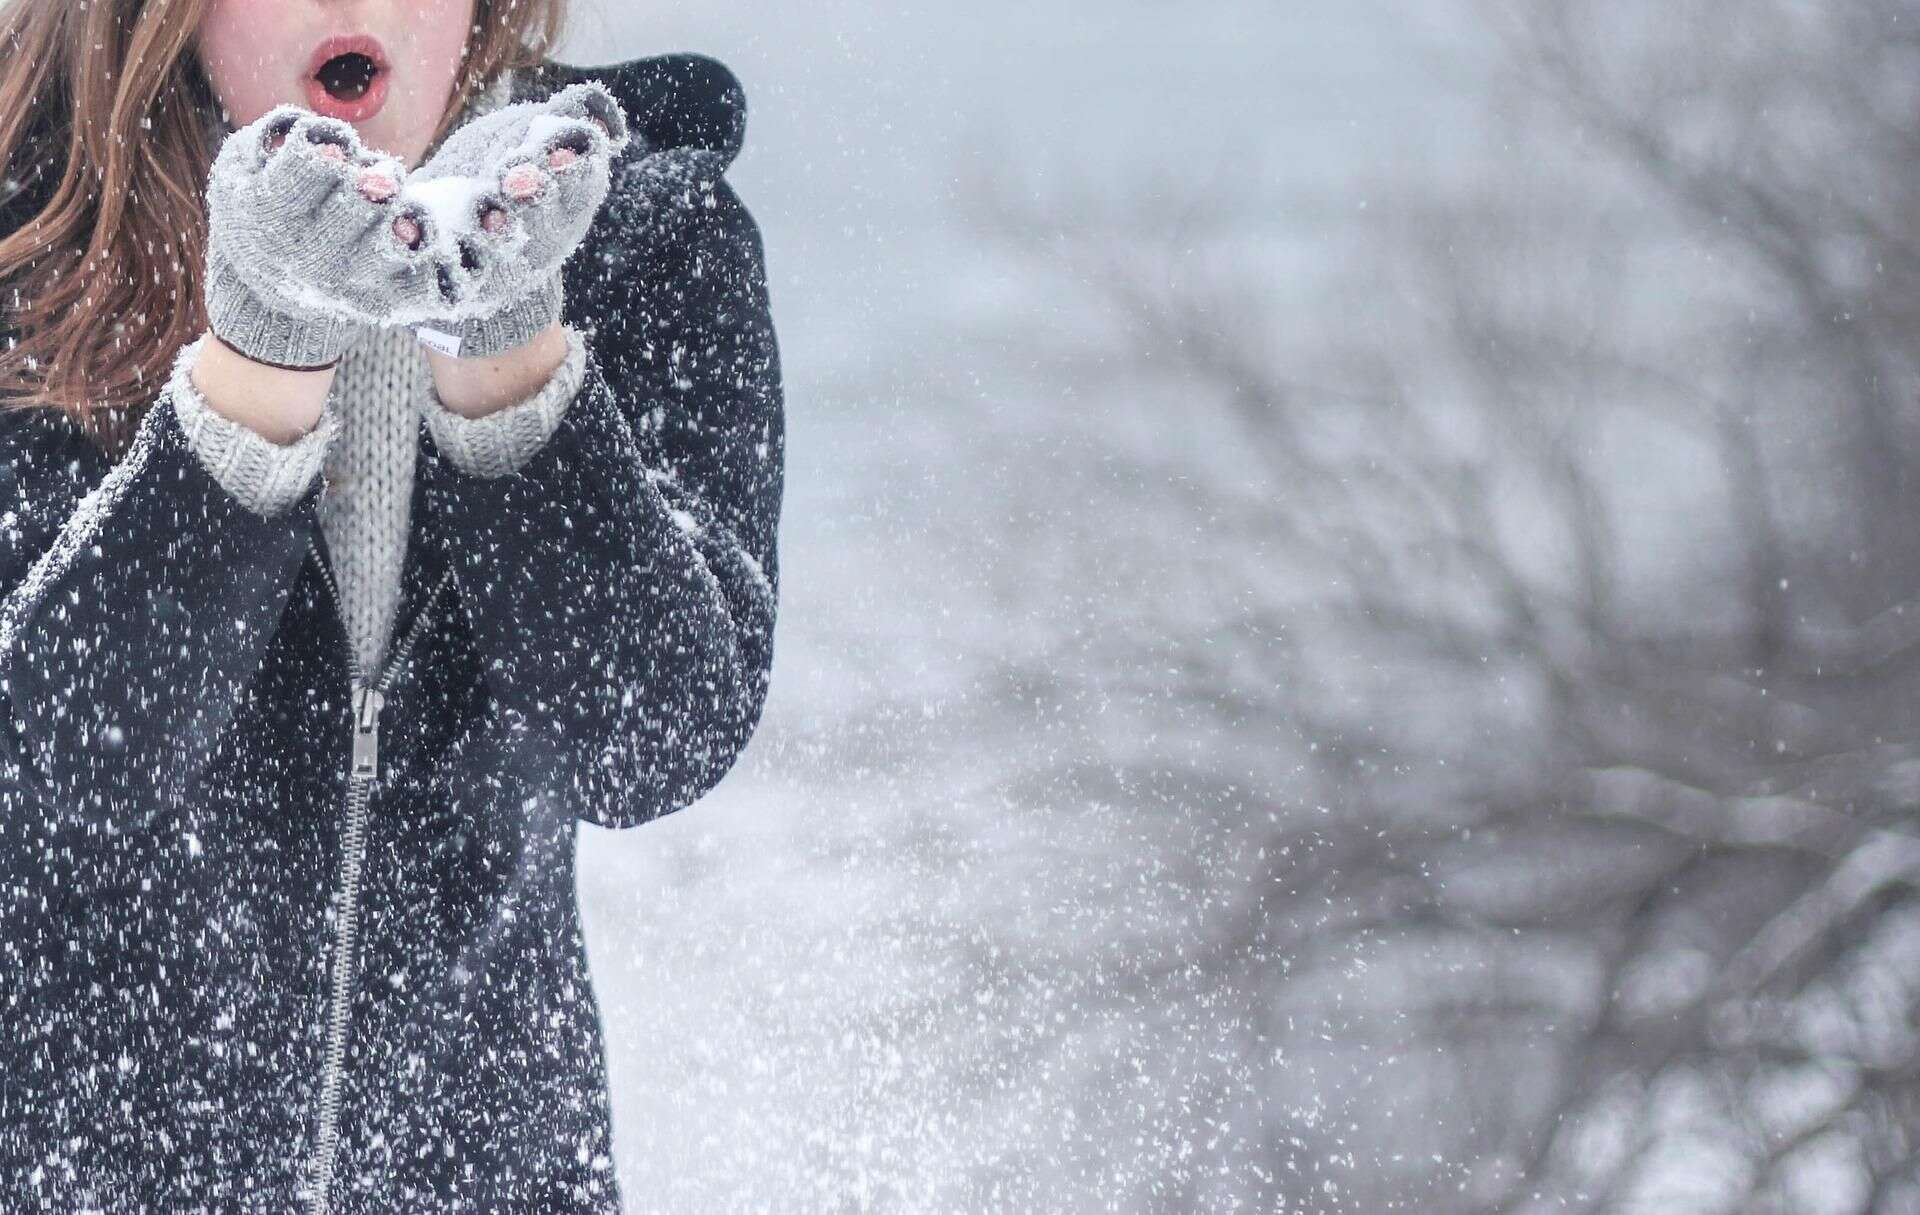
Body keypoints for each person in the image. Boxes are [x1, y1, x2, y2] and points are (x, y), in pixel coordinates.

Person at [0, 0, 784, 1209]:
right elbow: (57, 761)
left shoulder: (642, 237)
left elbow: (652, 740)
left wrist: (508, 350)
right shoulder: (29, 240)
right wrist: (261, 357)